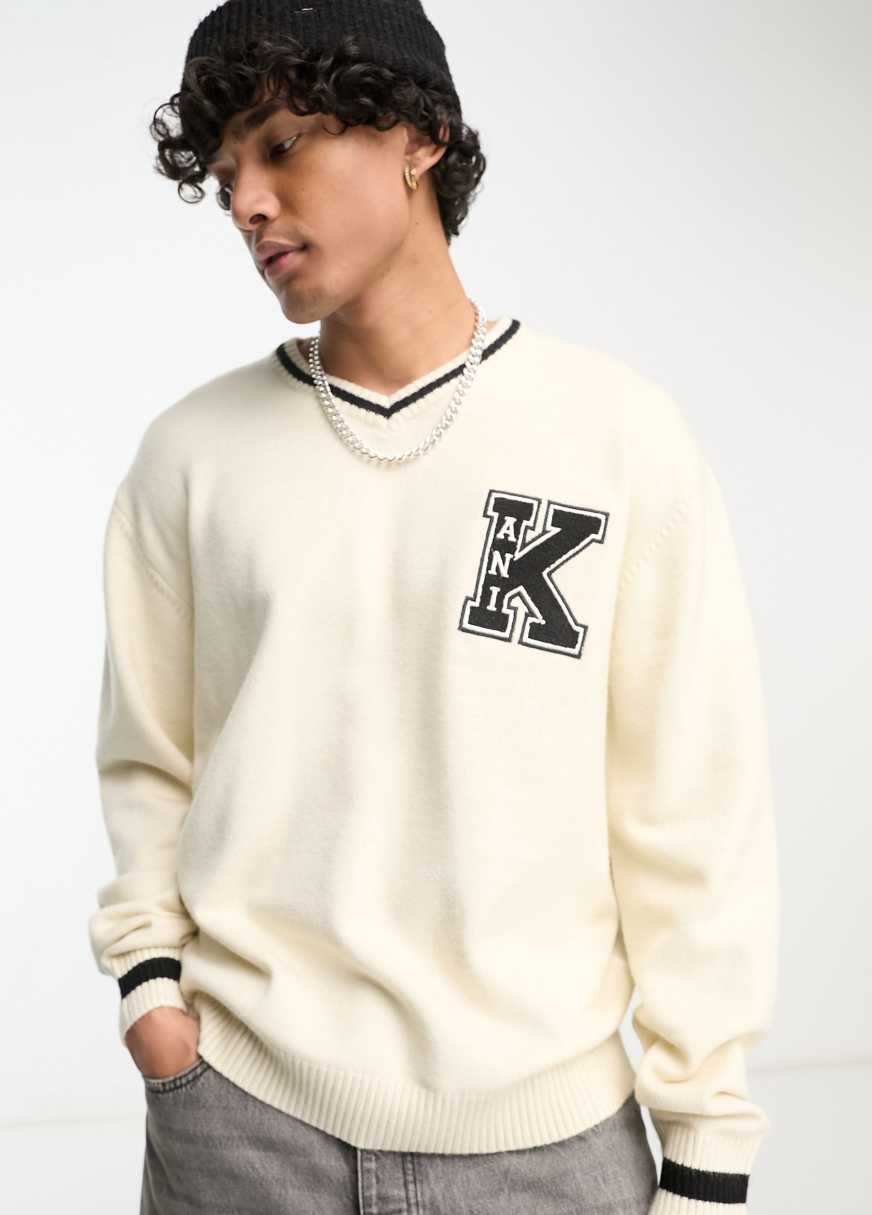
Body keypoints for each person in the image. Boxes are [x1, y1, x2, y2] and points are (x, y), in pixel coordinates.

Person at [87, 2, 781, 1212]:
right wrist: (152, 995)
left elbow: (690, 803)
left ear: (417, 135)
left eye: (280, 145)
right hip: (243, 1125)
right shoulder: (191, 456)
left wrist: (708, 1145)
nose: (247, 202)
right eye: (227, 172)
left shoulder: (615, 435)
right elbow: (151, 762)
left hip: (548, 1148)